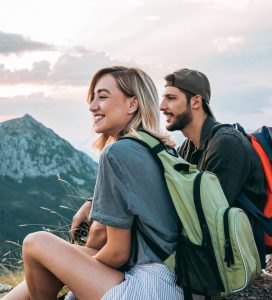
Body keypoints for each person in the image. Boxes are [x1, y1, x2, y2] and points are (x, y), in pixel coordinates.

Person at [3, 66, 183, 300]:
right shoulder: (161, 148)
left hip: (147, 287)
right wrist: (73, 264)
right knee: (63, 257)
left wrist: (72, 274)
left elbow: (118, 253)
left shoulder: (117, 152)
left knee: (36, 242)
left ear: (132, 104)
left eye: (103, 97)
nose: (92, 106)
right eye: (93, 98)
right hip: (174, 280)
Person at [160, 68, 267, 209]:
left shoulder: (227, 144)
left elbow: (211, 215)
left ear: (196, 102)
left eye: (171, 98)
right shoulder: (188, 148)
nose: (162, 106)